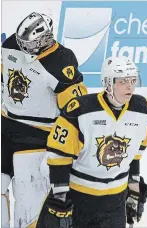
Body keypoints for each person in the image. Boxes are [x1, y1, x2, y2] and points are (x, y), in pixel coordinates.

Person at [36, 56, 147, 228]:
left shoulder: (143, 110)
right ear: (108, 83)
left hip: (115, 202)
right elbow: (59, 156)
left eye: (133, 80)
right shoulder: (80, 110)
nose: (130, 86)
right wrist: (60, 198)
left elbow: (134, 155)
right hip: (78, 198)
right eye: (123, 81)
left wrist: (133, 190)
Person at [1, 12, 87, 227]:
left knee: (27, 202)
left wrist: (71, 145)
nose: (22, 47)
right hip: (4, 126)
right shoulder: (12, 44)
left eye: (28, 44)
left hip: (38, 136)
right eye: (21, 41)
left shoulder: (62, 60)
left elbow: (76, 108)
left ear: (45, 39)